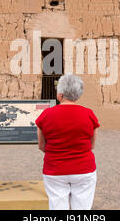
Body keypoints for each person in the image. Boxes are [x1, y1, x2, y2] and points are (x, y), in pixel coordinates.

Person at [35, 74, 100, 210]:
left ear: (60, 95)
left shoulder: (46, 115)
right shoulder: (89, 114)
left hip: (55, 168)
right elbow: (92, 145)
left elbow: (41, 146)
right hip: (84, 168)